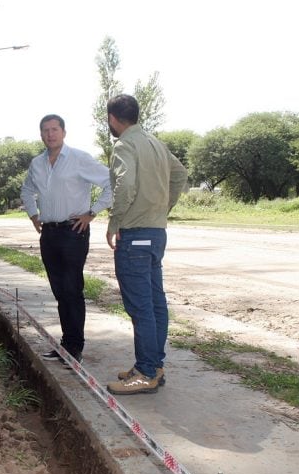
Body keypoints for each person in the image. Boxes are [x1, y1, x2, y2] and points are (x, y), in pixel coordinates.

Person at [104, 94, 187, 395]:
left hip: (135, 234)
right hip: (156, 232)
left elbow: (125, 185)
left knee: (141, 307)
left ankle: (146, 372)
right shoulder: (156, 143)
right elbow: (180, 175)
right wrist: (161, 209)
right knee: (154, 302)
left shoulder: (124, 144)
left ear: (113, 118)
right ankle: (154, 364)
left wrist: (114, 223)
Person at [21, 114, 112, 365]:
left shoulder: (79, 159)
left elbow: (111, 183)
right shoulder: (37, 163)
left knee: (72, 289)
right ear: (41, 134)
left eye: (54, 129)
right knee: (60, 290)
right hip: (48, 234)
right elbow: (27, 190)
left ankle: (75, 346)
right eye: (45, 130)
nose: (50, 134)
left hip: (73, 231)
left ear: (63, 132)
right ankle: (66, 344)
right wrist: (33, 215)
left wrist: (92, 213)